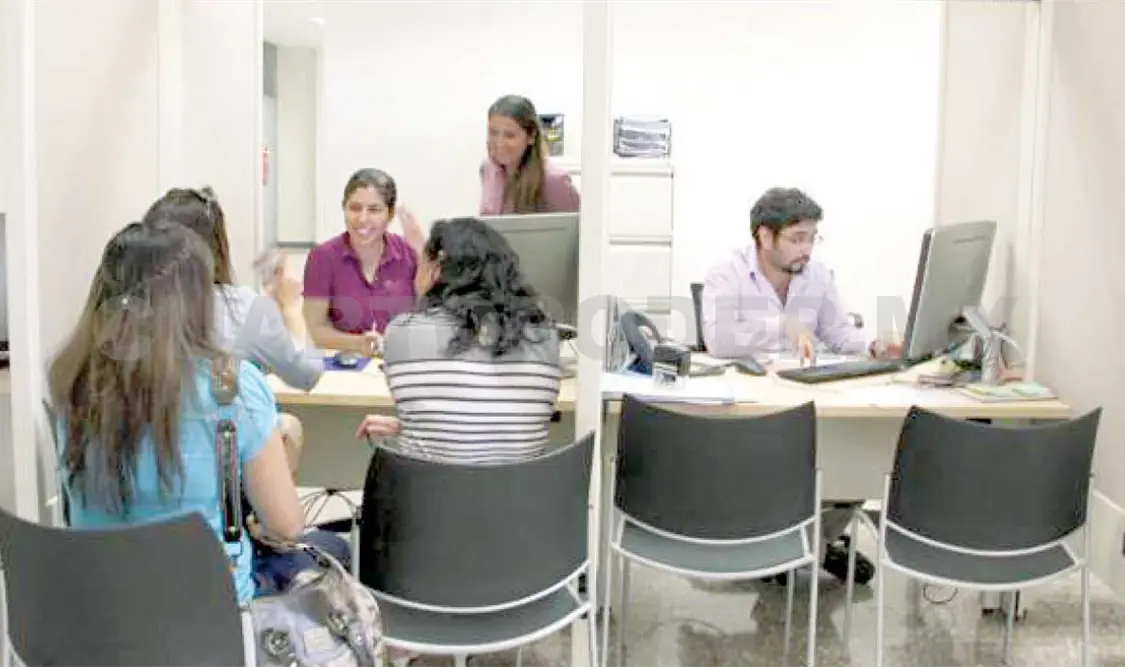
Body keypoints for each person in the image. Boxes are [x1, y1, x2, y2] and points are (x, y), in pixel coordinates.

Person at [47, 220, 347, 603]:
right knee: (333, 549)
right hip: (210, 613)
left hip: (99, 610)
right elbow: (286, 527)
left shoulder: (73, 383)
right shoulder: (233, 387)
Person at [700, 187, 902, 585]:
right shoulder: (727, 272)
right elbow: (718, 340)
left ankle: (808, 546)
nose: (806, 249)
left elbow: (839, 334)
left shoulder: (817, 276)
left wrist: (875, 346)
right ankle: (798, 547)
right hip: (752, 409)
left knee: (859, 451)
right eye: (797, 238)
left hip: (808, 401)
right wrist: (782, 326)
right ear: (765, 236)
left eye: (812, 238)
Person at [142, 186, 320, 476]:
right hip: (225, 469)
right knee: (289, 428)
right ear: (216, 246)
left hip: (150, 462)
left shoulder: (131, 307)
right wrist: (290, 309)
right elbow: (306, 374)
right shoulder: (243, 308)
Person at [355, 217, 561, 464]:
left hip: (430, 488)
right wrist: (408, 428)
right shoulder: (545, 336)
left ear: (435, 271)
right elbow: (488, 422)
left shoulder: (402, 333)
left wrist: (411, 429)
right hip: (521, 488)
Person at [303, 168, 424, 355]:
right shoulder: (323, 257)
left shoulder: (410, 255)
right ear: (344, 208)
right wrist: (358, 344)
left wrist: (425, 254)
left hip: (402, 360)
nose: (362, 219)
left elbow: (434, 314)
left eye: (374, 210)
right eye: (355, 208)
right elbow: (316, 330)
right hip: (346, 364)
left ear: (390, 214)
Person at [480, 95, 581, 215]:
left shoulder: (554, 180)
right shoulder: (488, 168)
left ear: (531, 136)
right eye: (493, 133)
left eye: (510, 135)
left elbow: (580, 224)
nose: (499, 143)